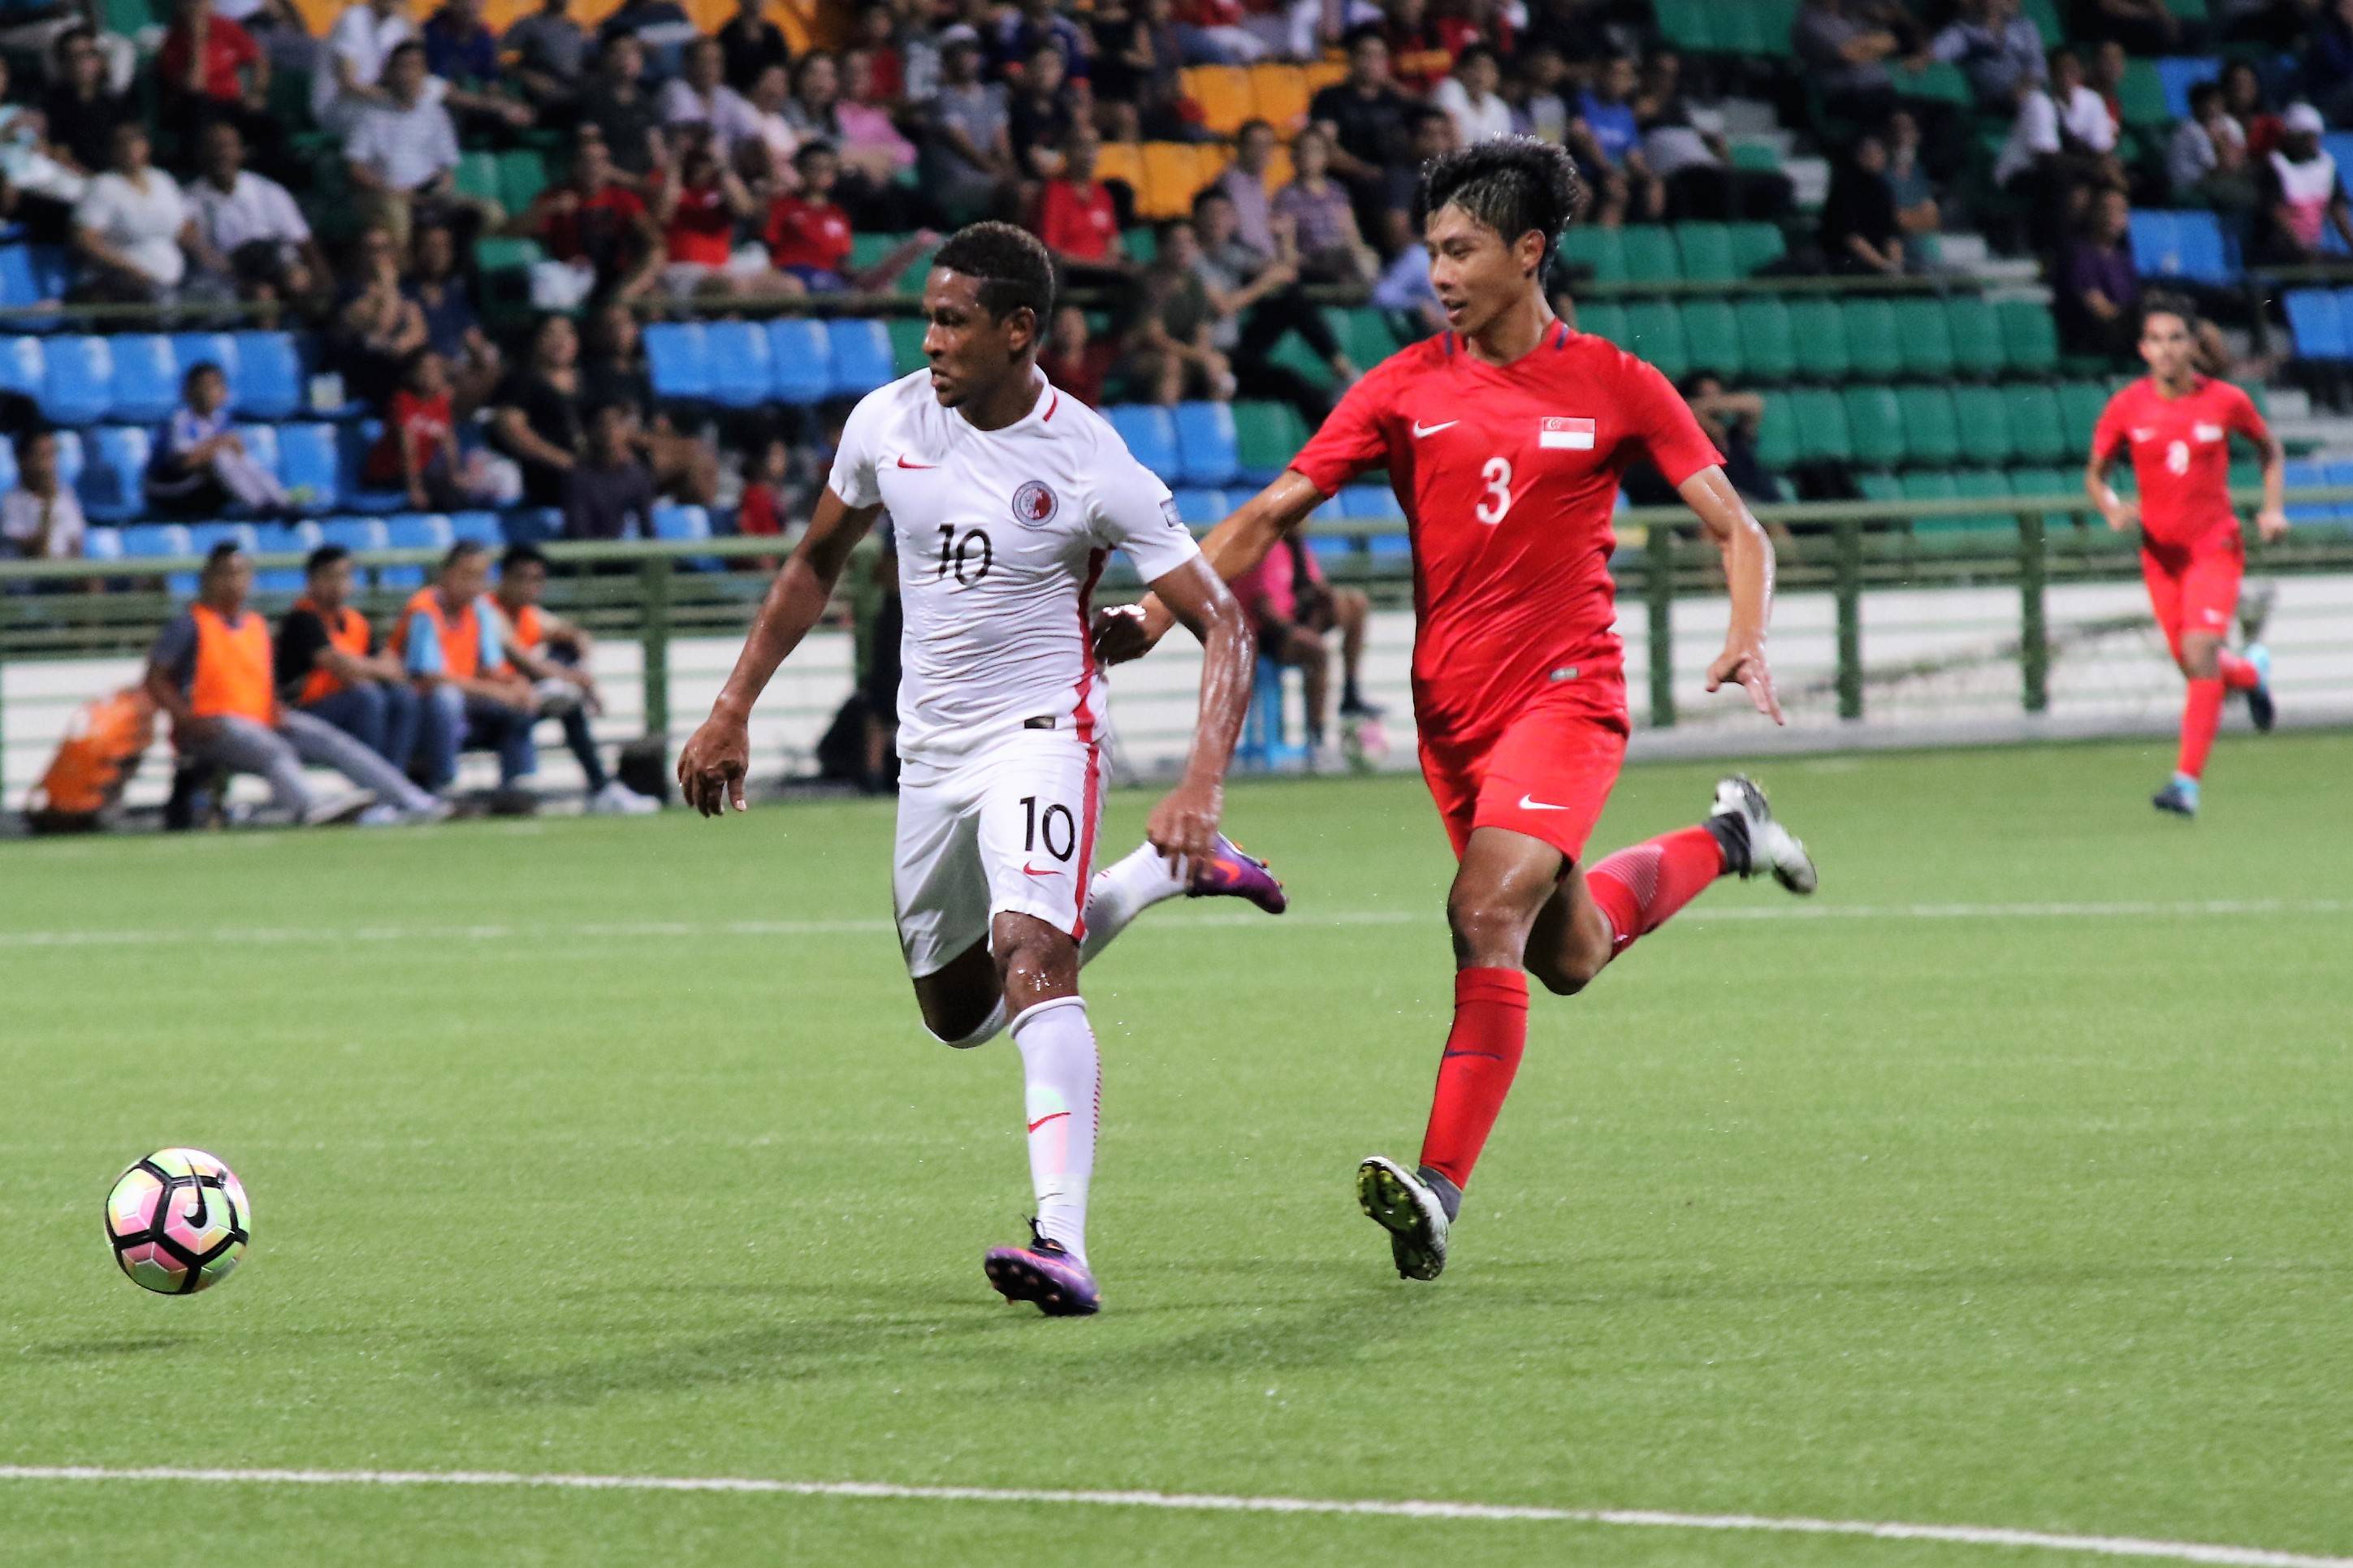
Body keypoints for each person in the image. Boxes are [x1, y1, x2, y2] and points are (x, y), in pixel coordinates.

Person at [1095, 137, 1815, 1283]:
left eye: (1461, 249)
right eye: (1431, 249)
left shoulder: (1616, 382)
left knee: (1482, 910)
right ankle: (1731, 834)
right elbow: (1270, 513)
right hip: (1453, 717)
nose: (1438, 272)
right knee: (1566, 953)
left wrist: (1744, 631)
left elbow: (1739, 527)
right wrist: (1151, 610)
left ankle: (1434, 1190)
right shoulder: (1400, 386)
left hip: (1566, 696)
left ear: (1528, 252)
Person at [675, 221, 1280, 1319]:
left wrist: (1201, 781)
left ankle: (1064, 1241)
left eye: (952, 321)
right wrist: (732, 705)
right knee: (957, 1013)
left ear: (1017, 329)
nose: (931, 340)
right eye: (928, 317)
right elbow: (816, 559)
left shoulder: (1089, 457)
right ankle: (1162, 873)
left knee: (1034, 954)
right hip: (929, 754)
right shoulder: (886, 422)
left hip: (1041, 732)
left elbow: (1226, 623)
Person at [2084, 299, 2286, 819]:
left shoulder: (2226, 400)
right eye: (2156, 340)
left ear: (2194, 345)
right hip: (2160, 557)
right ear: (2143, 349)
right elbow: (2097, 475)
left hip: (2214, 548)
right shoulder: (2127, 406)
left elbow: (2269, 450)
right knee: (2193, 665)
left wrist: (2271, 509)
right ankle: (2249, 672)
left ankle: (2185, 784)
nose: (2167, 349)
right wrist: (2112, 507)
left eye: (2176, 338)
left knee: (2199, 653)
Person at [147, 543, 448, 827]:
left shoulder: (256, 625)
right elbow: (155, 679)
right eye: (225, 574)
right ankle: (311, 806)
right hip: (214, 724)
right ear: (207, 579)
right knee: (272, 748)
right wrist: (186, 719)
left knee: (333, 741)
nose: (234, 582)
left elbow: (257, 677)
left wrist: (273, 706)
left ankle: (410, 800)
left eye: (241, 574)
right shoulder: (190, 624)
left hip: (261, 718)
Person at [491, 542, 660, 814]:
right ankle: (517, 789)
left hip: (516, 696)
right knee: (542, 699)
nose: (530, 587)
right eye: (522, 578)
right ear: (504, 578)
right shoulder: (488, 612)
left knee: (567, 700)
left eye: (537, 579)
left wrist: (582, 661)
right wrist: (578, 680)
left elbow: (573, 634)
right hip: (490, 697)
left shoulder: (528, 614)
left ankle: (600, 788)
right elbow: (524, 662)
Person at [393, 539, 539, 796]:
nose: (473, 584)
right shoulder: (424, 609)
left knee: (519, 699)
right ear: (446, 575)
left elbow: (492, 669)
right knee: (446, 699)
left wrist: (515, 684)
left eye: (480, 577)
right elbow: (429, 677)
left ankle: (519, 784)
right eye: (467, 575)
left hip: (468, 699)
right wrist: (495, 691)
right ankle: (444, 783)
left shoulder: (481, 609)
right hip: (421, 707)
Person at [1231, 529, 1377, 762]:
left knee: (1355, 603)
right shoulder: (1265, 549)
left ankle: (1350, 692)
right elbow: (1263, 609)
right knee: (1316, 650)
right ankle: (1316, 735)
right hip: (1265, 637)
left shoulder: (1298, 547)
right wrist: (1296, 632)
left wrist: (1327, 597)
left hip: (1294, 621)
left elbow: (1314, 590)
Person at [275, 542, 421, 773]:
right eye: (329, 576)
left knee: (403, 696)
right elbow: (338, 665)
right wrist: (372, 669)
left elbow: (393, 667)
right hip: (305, 711)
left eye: (344, 576)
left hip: (347, 705)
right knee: (367, 696)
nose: (337, 584)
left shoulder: (356, 621)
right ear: (311, 581)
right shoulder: (302, 619)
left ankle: (395, 774)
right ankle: (371, 776)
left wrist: (365, 668)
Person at [187, 120, 327, 306]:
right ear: (201, 153)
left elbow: (303, 241)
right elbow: (200, 251)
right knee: (262, 295)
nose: (221, 154)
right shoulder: (190, 200)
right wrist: (236, 276)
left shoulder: (268, 190)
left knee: (298, 280)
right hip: (229, 274)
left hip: (276, 262)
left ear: (241, 152)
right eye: (213, 147)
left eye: (227, 146)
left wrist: (324, 283)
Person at [343, 42, 465, 253]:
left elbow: (447, 171)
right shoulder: (369, 115)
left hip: (428, 195)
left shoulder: (436, 114)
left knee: (487, 213)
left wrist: (439, 190)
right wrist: (394, 191)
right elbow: (355, 170)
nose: (408, 75)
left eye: (415, 67)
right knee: (397, 214)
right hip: (385, 196)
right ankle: (402, 270)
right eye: (402, 67)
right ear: (390, 73)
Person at [71, 123, 211, 304]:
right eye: (121, 143)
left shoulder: (163, 180)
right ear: (112, 150)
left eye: (134, 140)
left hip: (176, 281)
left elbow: (184, 229)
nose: (129, 147)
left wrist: (209, 257)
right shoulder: (102, 186)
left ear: (146, 145)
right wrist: (129, 269)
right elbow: (85, 239)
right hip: (126, 284)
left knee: (217, 296)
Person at [366, 347, 510, 509]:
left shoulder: (440, 403)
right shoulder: (402, 401)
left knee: (464, 491)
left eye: (436, 369)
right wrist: (415, 488)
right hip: (390, 474)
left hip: (422, 472)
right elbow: (407, 447)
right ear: (412, 373)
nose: (431, 375)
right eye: (424, 369)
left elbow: (448, 441)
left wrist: (454, 474)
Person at [144, 361, 291, 517]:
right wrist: (218, 445)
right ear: (189, 391)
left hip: (203, 488)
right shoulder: (179, 421)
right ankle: (261, 507)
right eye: (205, 386)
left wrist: (231, 447)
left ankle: (282, 502)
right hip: (170, 491)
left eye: (216, 385)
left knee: (243, 461)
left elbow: (239, 456)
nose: (211, 392)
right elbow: (184, 464)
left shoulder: (221, 420)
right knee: (222, 458)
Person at [2257, 103, 2353, 264]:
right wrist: (2301, 246)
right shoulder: (2275, 167)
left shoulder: (2326, 166)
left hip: (2312, 248)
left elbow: (2338, 209)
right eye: (2305, 137)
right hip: (2281, 251)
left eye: (2313, 137)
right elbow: (2276, 211)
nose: (2311, 142)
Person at [2056, 186, 2139, 359]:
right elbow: (2100, 310)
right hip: (2094, 338)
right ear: (2092, 214)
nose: (2112, 216)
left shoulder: (2123, 259)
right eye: (2106, 209)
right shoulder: (2080, 255)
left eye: (2120, 211)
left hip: (2130, 332)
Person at [563, 401, 655, 541]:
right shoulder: (578, 477)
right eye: (603, 424)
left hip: (617, 550)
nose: (610, 431)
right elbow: (578, 532)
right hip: (586, 551)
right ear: (591, 431)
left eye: (616, 424)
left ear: (626, 431)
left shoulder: (637, 476)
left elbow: (648, 528)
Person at [1820, 134, 1905, 274]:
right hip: (1845, 260)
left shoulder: (1883, 189)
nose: (1878, 158)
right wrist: (1884, 265)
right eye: (1871, 154)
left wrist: (1897, 265)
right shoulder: (1845, 188)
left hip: (1880, 261)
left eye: (1880, 153)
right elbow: (1851, 237)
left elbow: (1891, 233)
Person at [2169, 80, 2256, 213]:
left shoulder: (2228, 123)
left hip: (2216, 178)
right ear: (2196, 106)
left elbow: (2241, 159)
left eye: (2217, 102)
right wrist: (2220, 144)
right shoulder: (2190, 131)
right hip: (2191, 184)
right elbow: (2218, 168)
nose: (2212, 108)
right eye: (2208, 103)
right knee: (2247, 195)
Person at [2, 428, 85, 563]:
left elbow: (76, 545)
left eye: (51, 455)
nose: (48, 465)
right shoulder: (11, 502)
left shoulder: (66, 496)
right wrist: (47, 507)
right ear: (23, 460)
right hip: (30, 573)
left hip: (63, 568)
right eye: (42, 456)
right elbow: (34, 554)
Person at [503, 0, 590, 114]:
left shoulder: (574, 29)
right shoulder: (529, 25)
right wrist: (528, 77)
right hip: (541, 93)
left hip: (574, 90)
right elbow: (502, 60)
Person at [717, 0, 790, 94]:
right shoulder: (727, 34)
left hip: (768, 94)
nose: (756, 2)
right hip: (734, 94)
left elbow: (782, 68)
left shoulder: (774, 34)